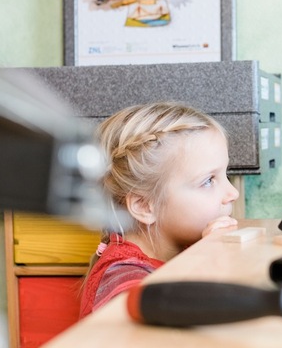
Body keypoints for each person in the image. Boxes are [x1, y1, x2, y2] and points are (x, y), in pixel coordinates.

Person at [78, 102, 240, 319]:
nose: (232, 193)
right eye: (209, 180)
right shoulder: (123, 277)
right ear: (144, 206)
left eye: (225, 175)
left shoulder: (183, 246)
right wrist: (205, 261)